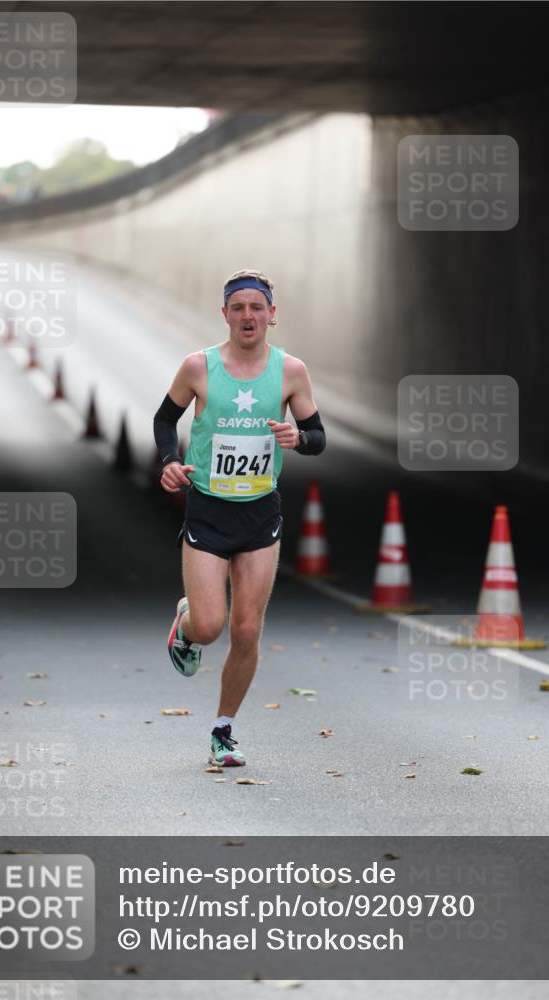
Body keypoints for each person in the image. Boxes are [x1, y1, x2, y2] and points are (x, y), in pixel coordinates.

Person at [153, 269, 326, 767]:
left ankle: (223, 730)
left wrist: (300, 439)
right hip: (208, 507)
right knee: (211, 627)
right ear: (224, 314)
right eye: (238, 307)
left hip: (260, 513)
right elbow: (166, 419)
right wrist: (168, 462)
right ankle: (185, 624)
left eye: (257, 307)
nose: (248, 316)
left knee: (247, 629)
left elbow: (317, 435)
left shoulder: (291, 371)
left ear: (272, 314)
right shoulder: (198, 367)